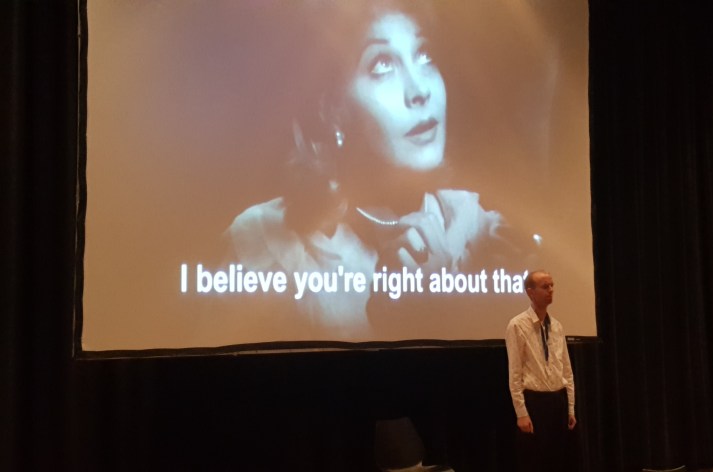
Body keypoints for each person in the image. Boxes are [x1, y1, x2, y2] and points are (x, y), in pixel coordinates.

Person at [225, 1, 533, 333]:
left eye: (424, 55)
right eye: (382, 64)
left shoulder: (474, 225)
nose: (419, 91)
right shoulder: (269, 245)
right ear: (332, 110)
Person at [505, 270, 576, 471]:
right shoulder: (517, 325)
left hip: (558, 401)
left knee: (557, 461)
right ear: (530, 292)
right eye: (545, 287)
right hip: (535, 402)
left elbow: (566, 369)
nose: (551, 290)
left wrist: (570, 407)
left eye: (552, 285)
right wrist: (521, 413)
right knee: (534, 462)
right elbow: (515, 372)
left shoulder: (557, 326)